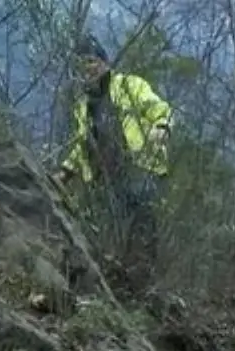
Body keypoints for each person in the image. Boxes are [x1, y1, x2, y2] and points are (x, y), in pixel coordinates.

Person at [59, 35, 173, 287]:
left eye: (91, 61)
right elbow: (82, 144)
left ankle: (143, 286)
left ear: (104, 62)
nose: (87, 68)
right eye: (81, 65)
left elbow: (159, 108)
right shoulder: (83, 105)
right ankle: (120, 285)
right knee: (114, 234)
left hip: (140, 169)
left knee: (142, 230)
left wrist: (162, 126)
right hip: (106, 179)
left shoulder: (128, 86)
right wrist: (66, 171)